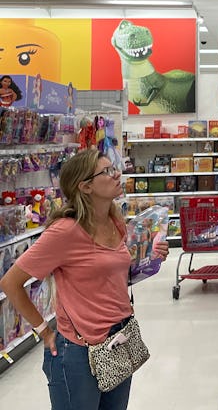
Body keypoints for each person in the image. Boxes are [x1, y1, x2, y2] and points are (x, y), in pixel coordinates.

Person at [0, 148, 169, 409]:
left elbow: (116, 274)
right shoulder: (65, 232)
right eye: (107, 171)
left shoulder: (115, 220)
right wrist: (44, 330)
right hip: (78, 352)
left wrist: (151, 257)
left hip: (118, 340)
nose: (116, 175)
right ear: (86, 186)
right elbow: (10, 283)